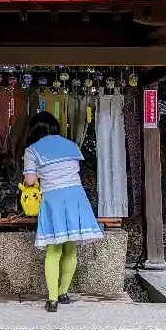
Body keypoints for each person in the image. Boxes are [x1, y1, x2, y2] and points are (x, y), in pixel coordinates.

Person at [22, 111, 103, 312]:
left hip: (54, 199)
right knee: (70, 250)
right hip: (76, 198)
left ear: (34, 130)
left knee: (53, 250)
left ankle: (52, 301)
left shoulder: (32, 150)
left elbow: (30, 181)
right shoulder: (71, 145)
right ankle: (63, 293)